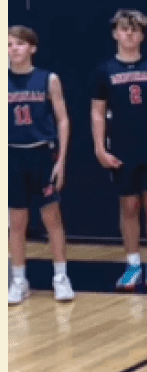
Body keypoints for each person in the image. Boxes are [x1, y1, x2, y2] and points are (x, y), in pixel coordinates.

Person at [91, 10, 147, 291]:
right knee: (129, 205)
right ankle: (131, 264)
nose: (129, 34)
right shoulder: (105, 70)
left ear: (142, 35)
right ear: (115, 33)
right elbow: (98, 112)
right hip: (123, 147)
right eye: (124, 29)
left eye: (135, 30)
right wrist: (100, 147)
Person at [8, 25, 75, 304]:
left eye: (20, 44)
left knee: (52, 218)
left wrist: (61, 159)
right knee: (16, 222)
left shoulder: (48, 79)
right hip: (11, 154)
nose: (14, 49)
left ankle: (60, 277)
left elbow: (62, 119)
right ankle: (19, 280)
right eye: (9, 44)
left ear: (32, 48)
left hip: (41, 153)